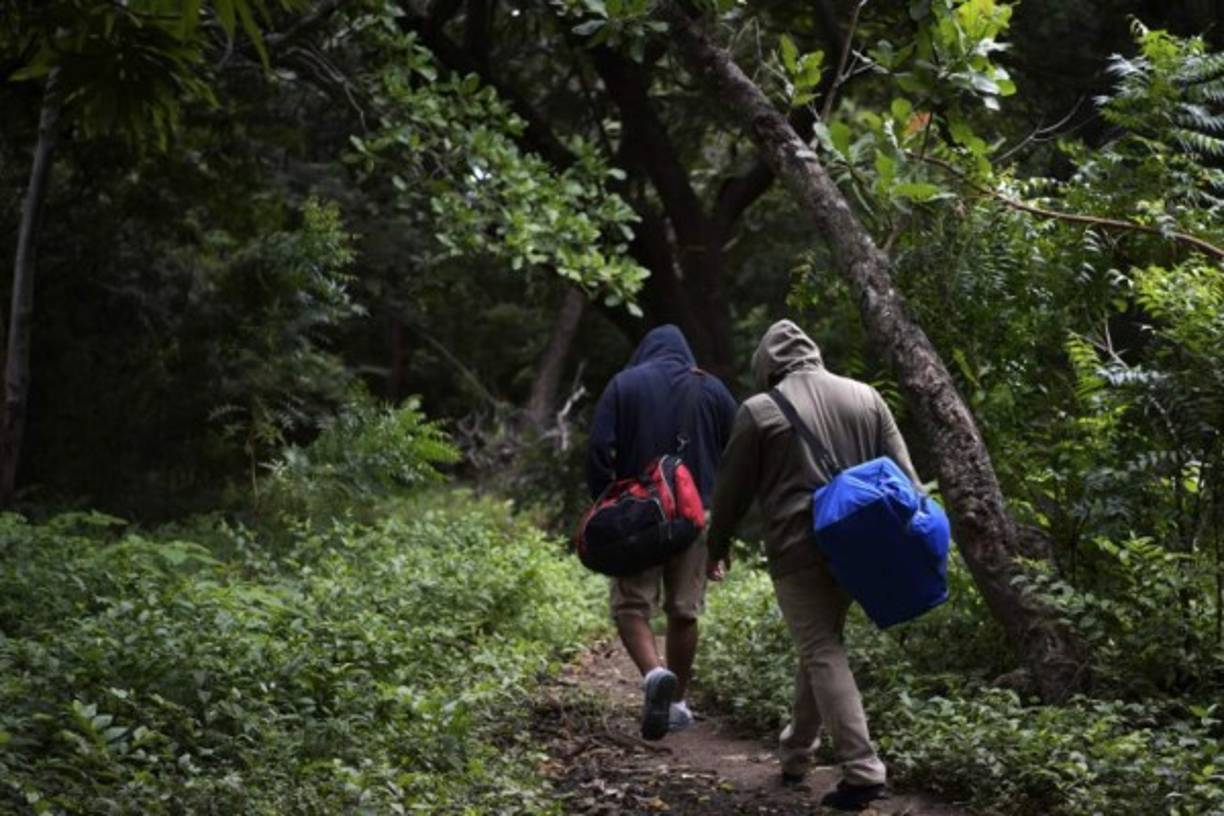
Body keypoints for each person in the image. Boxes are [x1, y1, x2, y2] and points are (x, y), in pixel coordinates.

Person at [705, 319, 921, 812]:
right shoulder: (866, 397)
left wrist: (716, 546)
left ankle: (862, 770)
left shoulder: (759, 411)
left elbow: (731, 492)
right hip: (864, 549)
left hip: (797, 549)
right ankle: (796, 753)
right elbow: (906, 478)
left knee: (821, 647)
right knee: (819, 643)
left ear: (768, 366)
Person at [588, 324, 738, 741]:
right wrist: (723, 530)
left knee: (631, 606)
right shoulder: (713, 391)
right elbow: (739, 457)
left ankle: (654, 674)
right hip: (696, 517)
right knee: (684, 610)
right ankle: (677, 702)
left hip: (638, 517)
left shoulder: (625, 384)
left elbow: (599, 450)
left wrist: (607, 503)